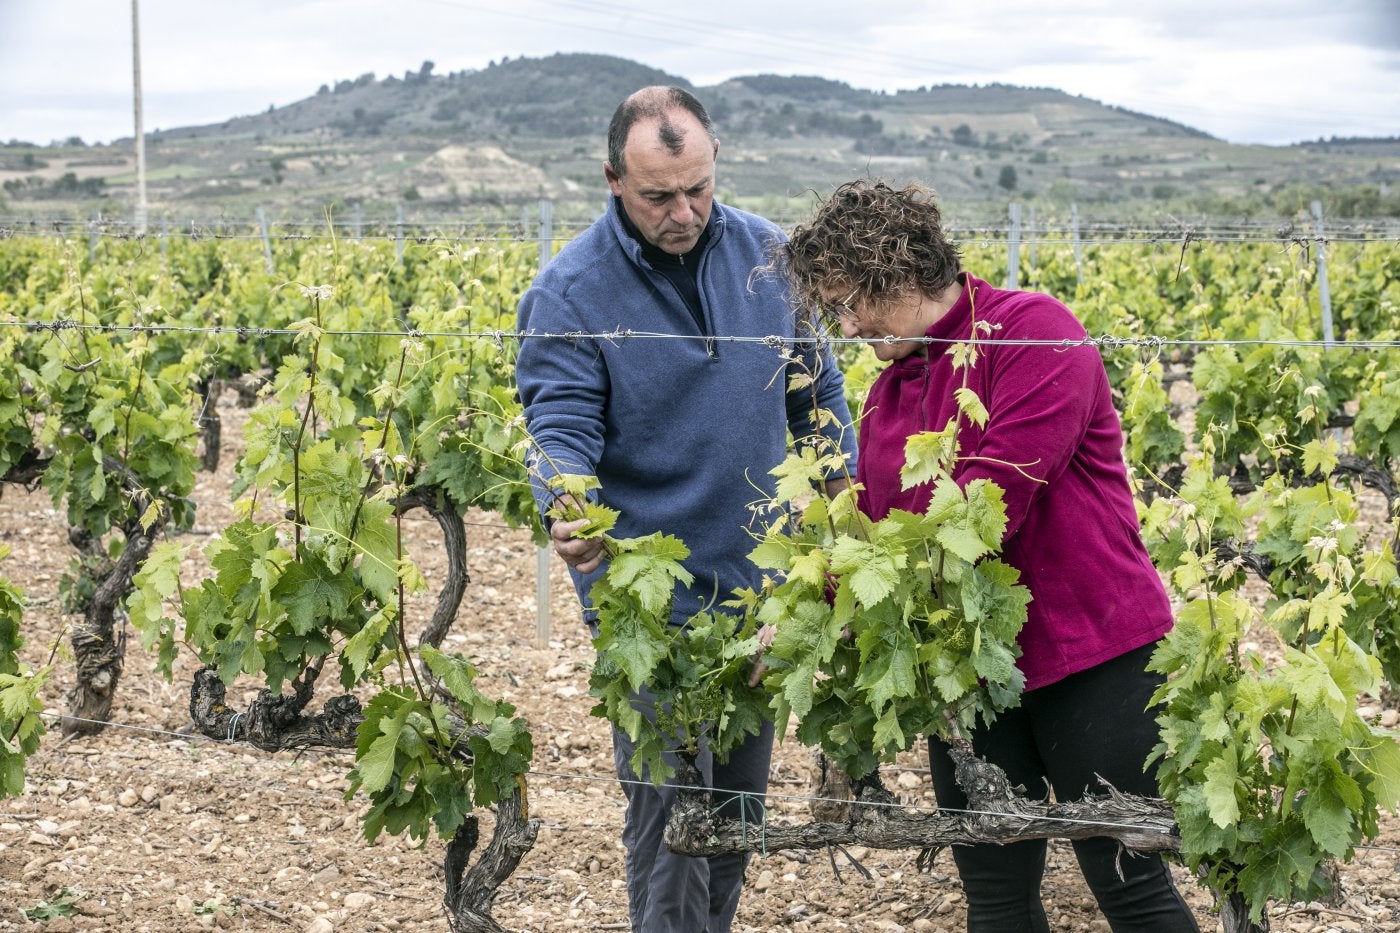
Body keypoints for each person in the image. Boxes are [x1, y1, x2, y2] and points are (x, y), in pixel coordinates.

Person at [778, 180, 1200, 933]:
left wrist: (869, 584)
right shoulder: (887, 394)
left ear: (897, 272)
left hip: (1090, 653)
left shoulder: (1035, 333)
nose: (846, 326)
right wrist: (806, 620)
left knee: (1129, 888)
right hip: (971, 669)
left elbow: (987, 505)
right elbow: (874, 542)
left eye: (851, 303)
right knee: (996, 895)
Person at [514, 86, 857, 933]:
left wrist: (843, 506)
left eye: (699, 188)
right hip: (647, 605)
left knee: (736, 817)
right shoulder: (569, 292)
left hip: (760, 593)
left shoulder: (771, 257)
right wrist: (566, 501)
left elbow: (818, 398)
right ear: (612, 180)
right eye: (658, 195)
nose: (685, 212)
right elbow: (560, 426)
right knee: (670, 826)